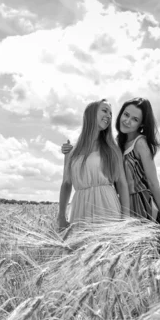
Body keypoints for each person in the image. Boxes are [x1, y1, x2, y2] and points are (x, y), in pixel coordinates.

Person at [62, 97, 160, 249]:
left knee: (129, 255)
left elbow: (146, 183)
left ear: (141, 124)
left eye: (134, 119)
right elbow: (67, 183)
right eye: (125, 115)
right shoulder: (109, 144)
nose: (127, 121)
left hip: (126, 205)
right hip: (96, 205)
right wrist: (60, 215)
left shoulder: (124, 146)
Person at [58, 99, 130, 231]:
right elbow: (66, 184)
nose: (108, 116)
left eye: (110, 113)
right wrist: (61, 216)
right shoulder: (71, 151)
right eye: (104, 110)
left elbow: (121, 183)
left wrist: (126, 219)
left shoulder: (112, 149)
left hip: (107, 207)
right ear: (91, 114)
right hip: (80, 208)